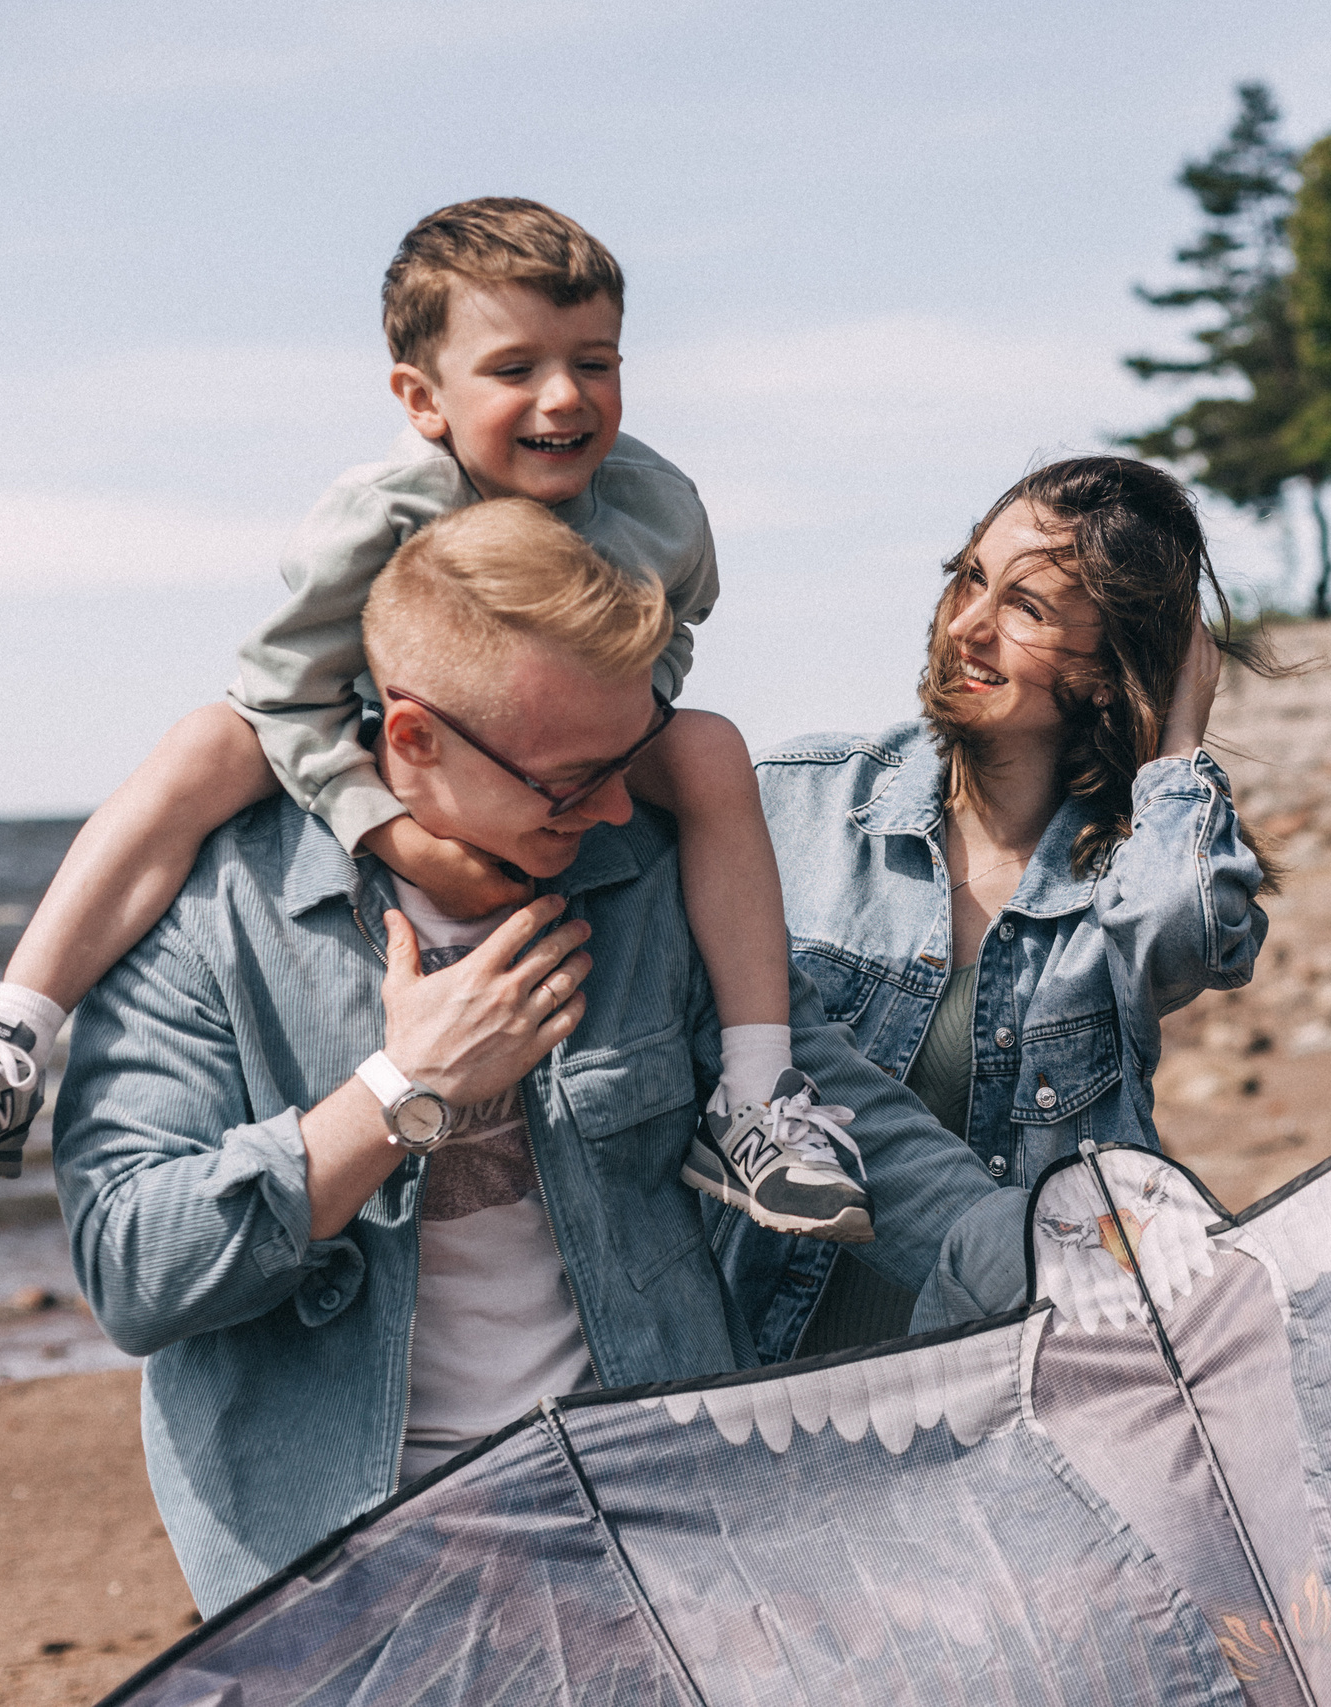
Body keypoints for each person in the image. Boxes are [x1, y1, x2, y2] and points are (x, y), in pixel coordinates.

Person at [50, 499, 1024, 1613]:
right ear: (412, 740)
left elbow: (833, 1096)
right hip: (338, 1575)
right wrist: (399, 1090)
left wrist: (1046, 1252)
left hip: (650, 1516)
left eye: (628, 761)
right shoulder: (210, 913)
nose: (612, 808)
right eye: (569, 779)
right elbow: (134, 1269)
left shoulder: (647, 874)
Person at [0, 197, 862, 1239]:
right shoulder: (377, 513)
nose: (564, 396)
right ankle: (8, 1044)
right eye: (515, 369)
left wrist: (607, 742)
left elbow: (671, 632)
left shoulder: (659, 505)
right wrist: (389, 830)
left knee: (708, 748)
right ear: (422, 399)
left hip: (563, 738)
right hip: (365, 731)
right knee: (205, 741)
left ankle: (754, 1098)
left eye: (594, 362)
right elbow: (284, 692)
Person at [716, 456, 1284, 1361]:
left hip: (1002, 1395)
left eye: (1025, 607)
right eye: (970, 578)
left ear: (1107, 669)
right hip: (766, 1385)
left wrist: (1178, 746)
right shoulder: (798, 802)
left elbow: (1188, 928)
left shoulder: (1123, 879)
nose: (966, 626)